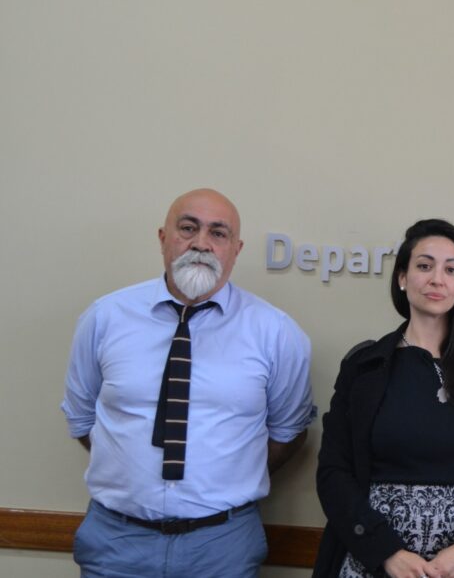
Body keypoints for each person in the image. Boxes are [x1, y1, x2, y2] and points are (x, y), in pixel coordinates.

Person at [61, 188, 316, 577]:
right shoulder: (104, 318)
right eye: (187, 228)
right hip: (116, 541)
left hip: (222, 546)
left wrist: (224, 482)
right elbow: (82, 420)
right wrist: (133, 476)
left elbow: (288, 433)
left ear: (236, 248)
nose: (201, 243)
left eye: (218, 233)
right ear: (163, 238)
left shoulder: (276, 333)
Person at [314, 219, 454, 578]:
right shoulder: (364, 367)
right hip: (375, 560)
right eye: (424, 266)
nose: (437, 279)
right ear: (402, 278)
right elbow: (333, 471)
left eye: (451, 270)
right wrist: (386, 553)